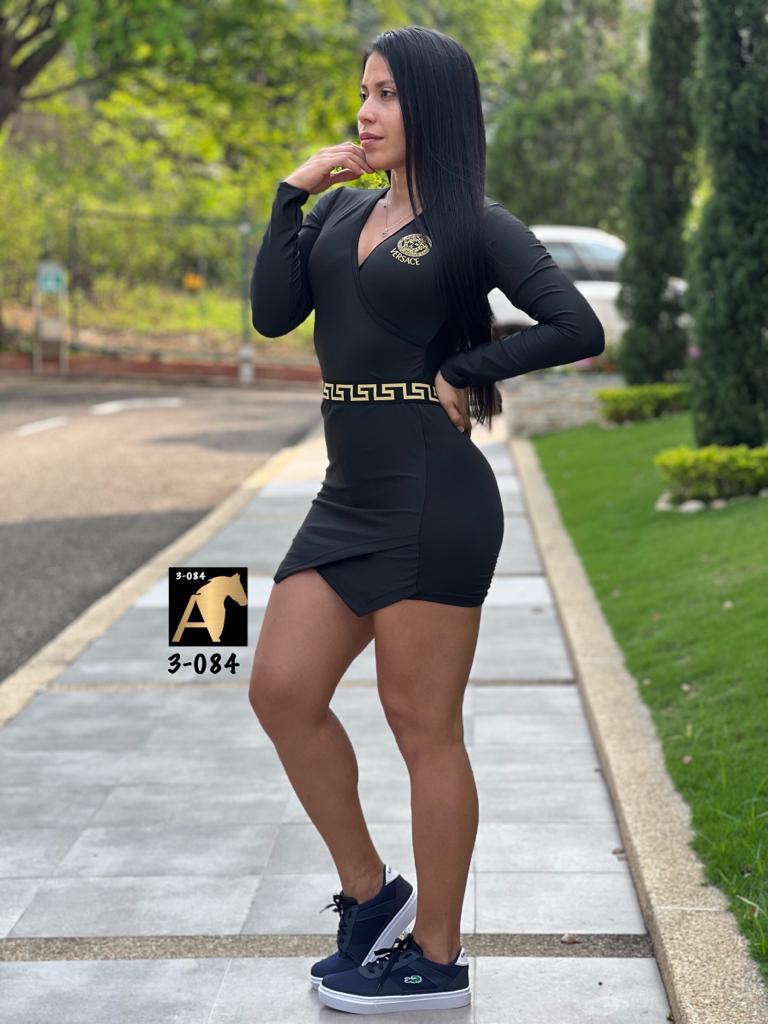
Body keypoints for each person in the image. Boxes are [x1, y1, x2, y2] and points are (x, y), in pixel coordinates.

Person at [248, 24, 605, 1015]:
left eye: (387, 95)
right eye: (363, 92)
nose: (365, 112)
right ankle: (373, 896)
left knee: (422, 727)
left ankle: (438, 957)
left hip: (432, 497)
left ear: (433, 108)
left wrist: (465, 370)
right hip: (347, 494)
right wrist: (289, 196)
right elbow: (273, 314)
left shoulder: (473, 222)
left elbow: (576, 324)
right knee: (280, 689)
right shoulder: (340, 209)